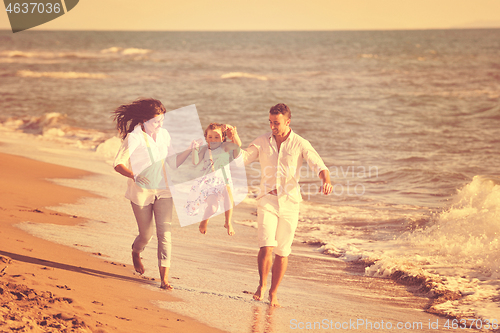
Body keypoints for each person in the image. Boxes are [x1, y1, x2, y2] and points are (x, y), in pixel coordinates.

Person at [240, 103, 333, 307]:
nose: (273, 126)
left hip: (290, 202)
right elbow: (244, 157)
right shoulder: (263, 141)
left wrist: (325, 179)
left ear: (287, 122)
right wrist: (225, 147)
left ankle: (274, 292)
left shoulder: (300, 143)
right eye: (271, 122)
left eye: (277, 123)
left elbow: (317, 163)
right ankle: (262, 285)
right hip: (267, 199)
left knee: (283, 250)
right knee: (266, 244)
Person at [113, 98, 191, 290]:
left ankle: (164, 278)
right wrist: (134, 175)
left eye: (162, 120)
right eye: (156, 121)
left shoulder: (164, 135)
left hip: (163, 189)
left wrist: (189, 150)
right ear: (144, 120)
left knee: (165, 234)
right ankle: (136, 251)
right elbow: (118, 163)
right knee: (146, 235)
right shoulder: (134, 137)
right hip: (141, 192)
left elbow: (172, 161)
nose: (160, 124)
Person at [185, 123, 241, 236]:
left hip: (223, 182)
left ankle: (228, 222)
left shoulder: (225, 147)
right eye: (210, 137)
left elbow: (238, 145)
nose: (213, 140)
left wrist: (232, 131)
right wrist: (195, 150)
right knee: (212, 207)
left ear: (223, 138)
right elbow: (195, 162)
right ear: (206, 137)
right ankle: (204, 221)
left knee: (228, 191)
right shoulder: (204, 150)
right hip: (208, 185)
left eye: (217, 137)